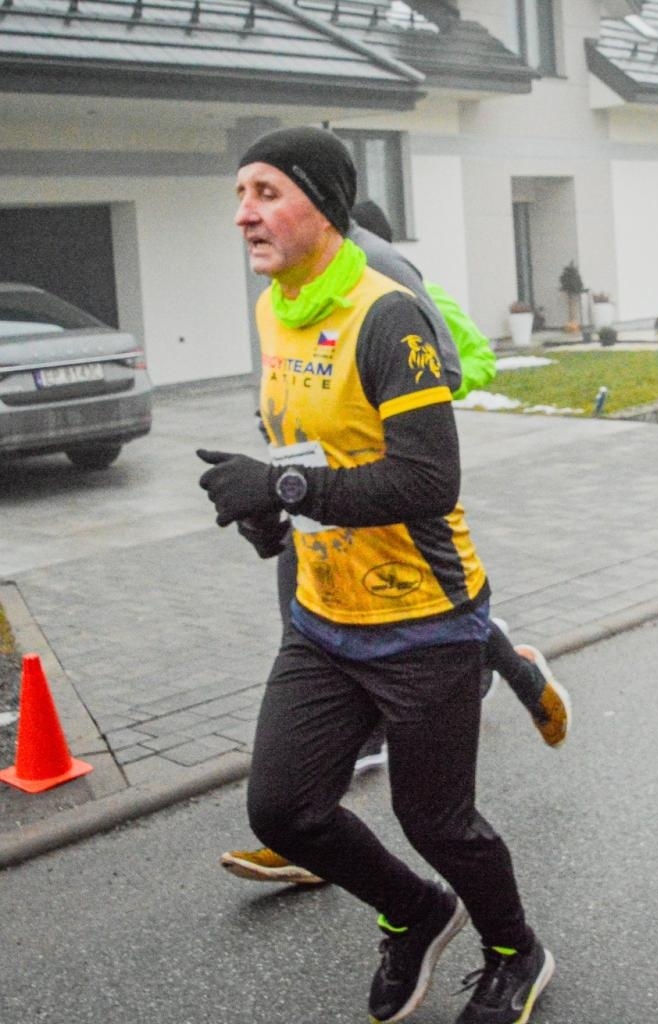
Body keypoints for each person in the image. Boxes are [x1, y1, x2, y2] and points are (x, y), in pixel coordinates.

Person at [200, 126, 554, 1024]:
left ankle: (517, 951)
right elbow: (313, 449)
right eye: (241, 192)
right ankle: (416, 911)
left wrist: (285, 480)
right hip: (324, 617)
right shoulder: (276, 309)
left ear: (323, 201)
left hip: (424, 618)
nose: (245, 211)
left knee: (438, 823)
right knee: (284, 810)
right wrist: (267, 508)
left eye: (267, 191)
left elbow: (429, 479)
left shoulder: (386, 311)